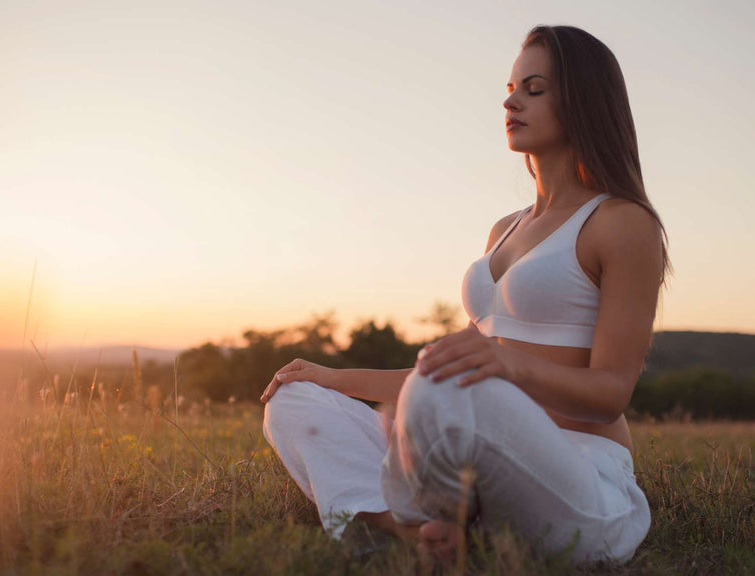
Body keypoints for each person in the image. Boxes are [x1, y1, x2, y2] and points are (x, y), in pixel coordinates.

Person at [259, 24, 669, 565]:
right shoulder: (504, 229)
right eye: (511, 86)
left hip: (580, 482)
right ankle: (415, 528)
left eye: (535, 89)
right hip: (472, 450)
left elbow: (612, 392)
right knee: (295, 400)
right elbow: (449, 378)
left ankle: (423, 511)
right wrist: (333, 379)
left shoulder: (620, 222)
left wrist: (505, 364)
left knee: (447, 393)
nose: (511, 99)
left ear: (584, 99)